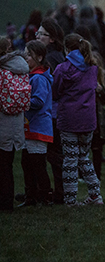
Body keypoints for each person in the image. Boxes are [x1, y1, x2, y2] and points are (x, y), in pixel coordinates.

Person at [52, 34, 102, 206]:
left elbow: (56, 92)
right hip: (88, 120)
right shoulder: (92, 68)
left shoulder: (62, 69)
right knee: (83, 157)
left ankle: (70, 199)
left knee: (70, 159)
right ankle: (95, 194)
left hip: (69, 119)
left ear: (66, 49)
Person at [19, 40, 53, 207]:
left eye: (29, 55)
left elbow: (38, 101)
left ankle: (45, 195)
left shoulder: (39, 78)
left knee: (38, 164)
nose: (26, 58)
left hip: (38, 127)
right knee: (27, 163)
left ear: (39, 57)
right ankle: (31, 195)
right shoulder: (32, 76)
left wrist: (20, 100)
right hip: (30, 127)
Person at [36, 18, 65, 203]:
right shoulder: (54, 55)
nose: (37, 36)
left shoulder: (52, 58)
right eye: (37, 33)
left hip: (52, 112)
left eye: (42, 34)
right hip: (53, 111)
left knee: (53, 155)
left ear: (52, 38)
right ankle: (47, 192)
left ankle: (57, 193)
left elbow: (54, 88)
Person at [0, 38, 31, 211]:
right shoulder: (21, 67)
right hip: (16, 122)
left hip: (2, 122)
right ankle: (7, 202)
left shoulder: (1, 70)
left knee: (2, 167)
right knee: (8, 165)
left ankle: (4, 203)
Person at [91, 52, 105, 180]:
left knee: (96, 148)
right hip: (85, 115)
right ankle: (82, 174)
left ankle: (96, 176)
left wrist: (100, 91)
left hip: (97, 118)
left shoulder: (101, 80)